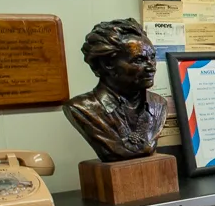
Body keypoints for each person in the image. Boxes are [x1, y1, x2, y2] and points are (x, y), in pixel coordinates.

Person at [63, 19, 168, 162]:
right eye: (139, 60)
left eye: (152, 58)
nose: (151, 67)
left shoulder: (158, 105)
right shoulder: (81, 108)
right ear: (107, 64)